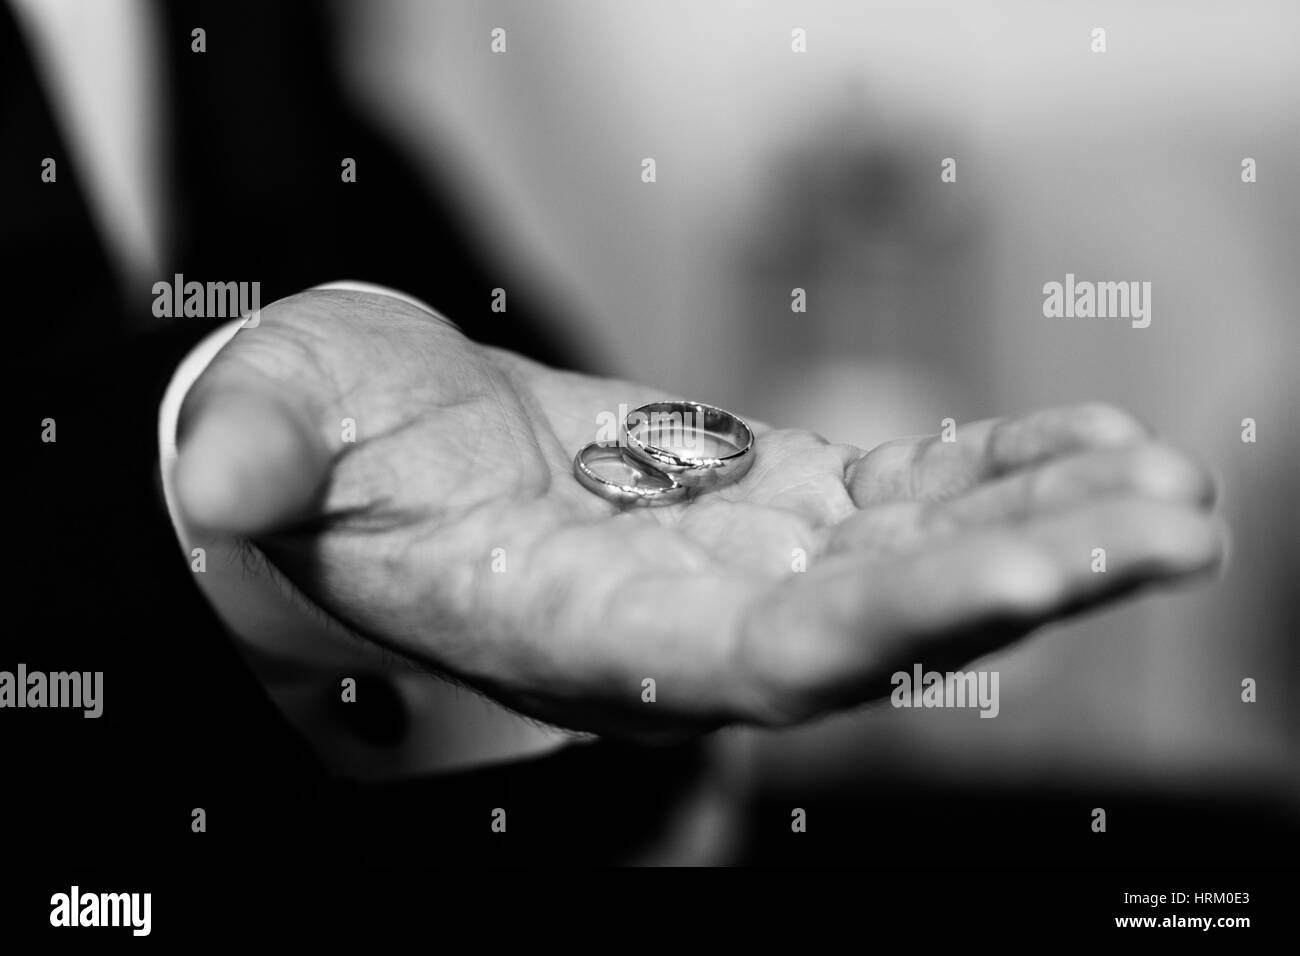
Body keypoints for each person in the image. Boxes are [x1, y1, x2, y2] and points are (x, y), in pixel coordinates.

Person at [2, 0, 1223, 867]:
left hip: (516, 795)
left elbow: (321, 197)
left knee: (1220, 865)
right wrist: (184, 506)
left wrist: (633, 763)